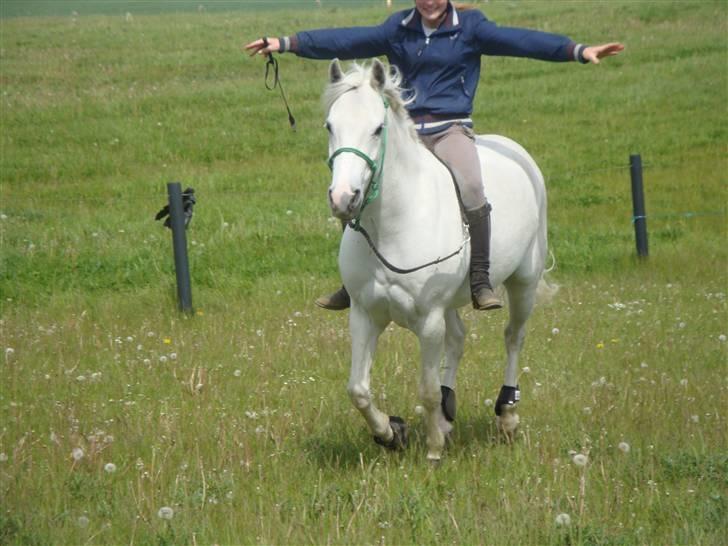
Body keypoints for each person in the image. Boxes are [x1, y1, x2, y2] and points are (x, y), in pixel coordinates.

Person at [245, 0, 623, 311]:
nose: (428, 1)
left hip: (450, 129)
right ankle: (352, 282)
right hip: (406, 133)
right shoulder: (398, 28)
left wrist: (576, 50)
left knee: (473, 186)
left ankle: (479, 279)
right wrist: (288, 42)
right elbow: (346, 40)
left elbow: (520, 42)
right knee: (355, 183)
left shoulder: (471, 27)